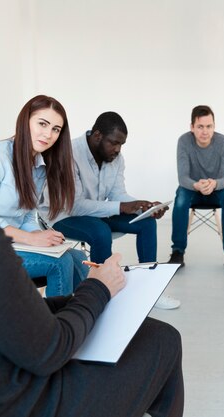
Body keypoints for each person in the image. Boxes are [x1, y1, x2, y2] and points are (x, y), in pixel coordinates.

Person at [0, 2, 184, 417]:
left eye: (55, 127)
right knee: (162, 341)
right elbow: (47, 352)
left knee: (78, 267)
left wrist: (79, 288)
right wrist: (100, 288)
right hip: (7, 399)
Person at [0, 95, 87, 297]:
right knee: (60, 262)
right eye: (42, 124)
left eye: (56, 129)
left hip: (10, 244)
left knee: (78, 257)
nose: (48, 134)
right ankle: (60, 326)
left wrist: (38, 235)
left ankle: (90, 320)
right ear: (25, 121)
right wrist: (29, 238)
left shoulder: (39, 167)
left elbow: (26, 214)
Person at [50, 111, 181, 310]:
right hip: (65, 216)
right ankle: (102, 295)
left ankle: (150, 290)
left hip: (99, 213)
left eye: (121, 144)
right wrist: (122, 207)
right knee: (100, 231)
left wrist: (142, 207)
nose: (118, 149)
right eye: (114, 143)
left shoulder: (116, 158)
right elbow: (75, 205)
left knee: (146, 223)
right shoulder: (69, 153)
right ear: (97, 136)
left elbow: (118, 194)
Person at [167, 105, 224, 268]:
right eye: (200, 127)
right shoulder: (184, 141)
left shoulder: (223, 142)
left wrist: (214, 184)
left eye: (209, 126)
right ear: (192, 127)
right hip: (193, 190)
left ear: (214, 126)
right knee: (181, 196)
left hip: (216, 190)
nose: (205, 131)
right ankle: (177, 252)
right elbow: (183, 178)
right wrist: (196, 185)